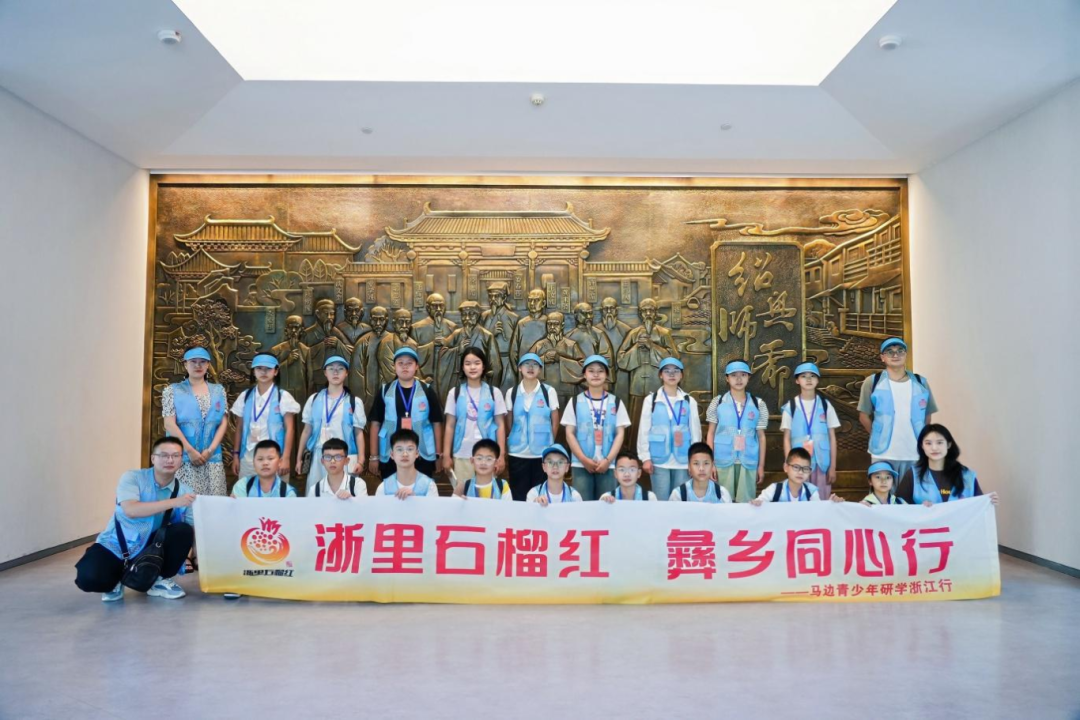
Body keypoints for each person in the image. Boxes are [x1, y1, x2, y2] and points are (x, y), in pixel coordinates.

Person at [74, 437, 196, 602]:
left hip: (150, 546)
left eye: (175, 455)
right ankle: (114, 580)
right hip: (116, 543)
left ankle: (159, 580)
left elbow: (192, 529)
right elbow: (131, 510)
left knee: (183, 530)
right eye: (164, 455)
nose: (169, 460)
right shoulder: (133, 478)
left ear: (181, 460)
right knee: (89, 578)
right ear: (153, 458)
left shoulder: (185, 491)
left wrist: (202, 561)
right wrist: (174, 502)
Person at [858, 338, 938, 482]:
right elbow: (863, 416)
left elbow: (927, 416)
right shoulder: (873, 382)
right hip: (883, 453)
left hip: (915, 452)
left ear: (906, 355)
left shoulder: (921, 382)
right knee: (883, 493)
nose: (895, 355)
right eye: (890, 352)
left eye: (900, 351)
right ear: (882, 357)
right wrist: (878, 434)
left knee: (913, 492)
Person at [367, 347, 444, 480]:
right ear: (394, 367)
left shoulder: (427, 390)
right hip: (390, 454)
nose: (405, 366)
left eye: (409, 363)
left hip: (422, 454)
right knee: (392, 490)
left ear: (416, 366)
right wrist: (374, 456)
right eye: (400, 363)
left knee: (422, 489)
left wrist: (438, 455)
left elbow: (436, 423)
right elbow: (375, 424)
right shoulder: (385, 391)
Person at [162, 346, 230, 497]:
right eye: (193, 361)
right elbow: (169, 424)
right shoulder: (172, 391)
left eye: (202, 362)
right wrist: (190, 451)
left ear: (208, 365)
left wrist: (210, 450)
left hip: (211, 459)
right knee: (185, 503)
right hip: (183, 458)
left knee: (213, 504)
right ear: (185, 364)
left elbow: (223, 423)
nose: (198, 365)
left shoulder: (219, 390)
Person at [562, 355, 631, 501]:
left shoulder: (616, 402)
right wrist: (583, 459)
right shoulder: (575, 402)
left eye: (600, 371)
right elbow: (569, 433)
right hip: (581, 464)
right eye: (591, 371)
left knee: (607, 507)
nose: (596, 374)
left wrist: (608, 460)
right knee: (583, 506)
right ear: (584, 375)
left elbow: (620, 434)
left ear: (606, 375)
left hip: (608, 465)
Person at [295, 356, 367, 493]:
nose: (335, 372)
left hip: (345, 456)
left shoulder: (354, 402)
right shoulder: (314, 399)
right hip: (319, 455)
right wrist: (299, 459)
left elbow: (358, 433)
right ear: (325, 373)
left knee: (345, 495)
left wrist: (361, 461)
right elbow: (306, 431)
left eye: (340, 369)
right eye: (331, 369)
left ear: (346, 373)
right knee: (316, 493)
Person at [442, 347, 507, 489]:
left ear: (483, 366)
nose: (472, 367)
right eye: (468, 363)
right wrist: (446, 455)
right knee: (463, 495)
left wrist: (501, 455)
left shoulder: (494, 393)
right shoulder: (455, 393)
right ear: (462, 367)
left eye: (477, 363)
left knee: (487, 495)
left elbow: (500, 425)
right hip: (462, 453)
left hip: (488, 456)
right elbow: (449, 426)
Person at [637, 357, 701, 502]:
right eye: (667, 371)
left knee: (681, 501)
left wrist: (694, 460)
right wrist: (645, 458)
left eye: (676, 371)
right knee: (661, 502)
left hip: (683, 460)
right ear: (660, 375)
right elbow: (644, 430)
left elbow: (695, 433)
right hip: (658, 460)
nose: (672, 374)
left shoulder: (689, 401)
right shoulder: (651, 400)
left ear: (681, 375)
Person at [230, 353, 300, 482]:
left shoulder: (283, 397)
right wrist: (236, 456)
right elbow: (239, 428)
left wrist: (285, 458)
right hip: (249, 455)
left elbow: (290, 429)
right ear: (253, 371)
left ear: (276, 371)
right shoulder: (245, 397)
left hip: (274, 456)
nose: (263, 372)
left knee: (276, 493)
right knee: (247, 491)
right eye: (259, 368)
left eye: (268, 368)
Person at [705, 360, 768, 502]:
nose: (739, 379)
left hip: (748, 460)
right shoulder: (718, 402)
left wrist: (761, 466)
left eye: (743, 375)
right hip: (722, 460)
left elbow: (761, 437)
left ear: (749, 377)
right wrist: (711, 463)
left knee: (746, 503)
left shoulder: (758, 404)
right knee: (723, 501)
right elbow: (710, 433)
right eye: (734, 375)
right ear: (727, 378)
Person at [895, 424, 999, 506]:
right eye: (928, 443)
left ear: (948, 444)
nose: (934, 448)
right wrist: (919, 509)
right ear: (922, 446)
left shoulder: (966, 475)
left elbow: (978, 506)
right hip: (925, 527)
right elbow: (899, 507)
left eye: (940, 442)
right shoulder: (913, 475)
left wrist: (988, 501)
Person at [504, 353, 561, 500]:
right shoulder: (512, 392)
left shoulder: (548, 392)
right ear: (519, 368)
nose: (530, 367)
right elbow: (509, 421)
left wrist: (549, 443)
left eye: (535, 364)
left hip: (541, 454)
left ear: (540, 369)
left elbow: (555, 421)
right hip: (517, 453)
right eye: (526, 364)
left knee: (540, 496)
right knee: (518, 496)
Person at [781, 362, 840, 499]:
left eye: (812, 376)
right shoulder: (791, 407)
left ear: (818, 380)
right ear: (797, 380)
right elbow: (786, 438)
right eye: (803, 376)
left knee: (821, 498)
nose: (808, 379)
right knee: (800, 498)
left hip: (821, 463)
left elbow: (832, 437)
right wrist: (789, 463)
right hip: (798, 464)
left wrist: (833, 467)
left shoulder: (825, 406)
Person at [752, 448, 846, 504]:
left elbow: (818, 512)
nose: (801, 472)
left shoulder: (811, 491)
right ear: (786, 467)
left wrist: (831, 504)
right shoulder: (775, 489)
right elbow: (759, 503)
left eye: (805, 468)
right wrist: (757, 503)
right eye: (796, 467)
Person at [373, 429, 441, 499]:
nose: (405, 454)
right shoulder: (383, 488)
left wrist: (415, 500)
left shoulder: (429, 486)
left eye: (410, 449)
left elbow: (433, 506)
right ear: (392, 455)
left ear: (417, 453)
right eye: (399, 449)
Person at [231, 440, 298, 498]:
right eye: (260, 459)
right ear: (254, 463)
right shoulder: (243, 486)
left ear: (279, 462)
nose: (265, 463)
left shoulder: (287, 493)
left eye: (270, 459)